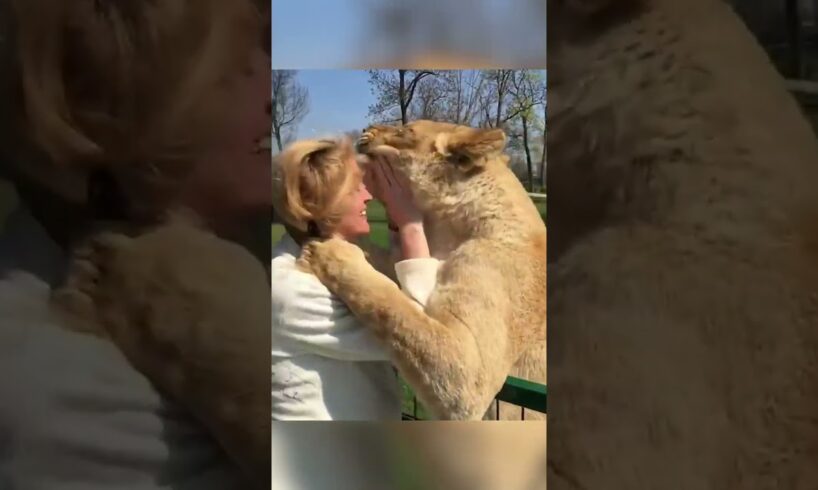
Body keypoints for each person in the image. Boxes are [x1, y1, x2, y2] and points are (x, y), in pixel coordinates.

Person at [0, 0, 270, 487]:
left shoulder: (53, 248)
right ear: (125, 102)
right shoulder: (74, 389)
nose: (271, 91)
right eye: (237, 68)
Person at [271, 137, 441, 420]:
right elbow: (420, 342)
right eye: (355, 188)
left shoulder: (344, 258)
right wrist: (411, 226)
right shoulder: (292, 288)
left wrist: (397, 221)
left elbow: (398, 291)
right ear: (325, 204)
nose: (367, 196)